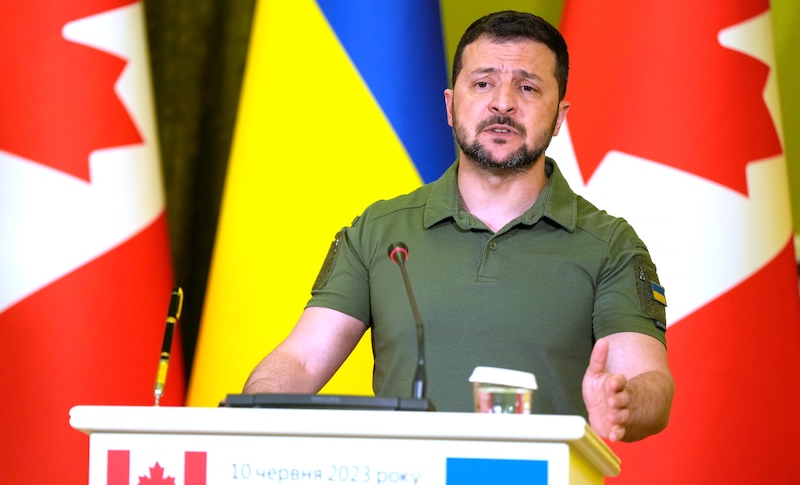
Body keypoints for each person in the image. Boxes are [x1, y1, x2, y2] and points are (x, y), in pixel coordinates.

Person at [242, 10, 674, 443]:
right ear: (451, 106)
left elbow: (651, 381)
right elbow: (300, 361)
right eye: (483, 83)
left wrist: (623, 401)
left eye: (527, 87)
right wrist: (251, 411)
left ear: (559, 117)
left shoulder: (610, 244)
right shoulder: (378, 231)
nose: (503, 103)